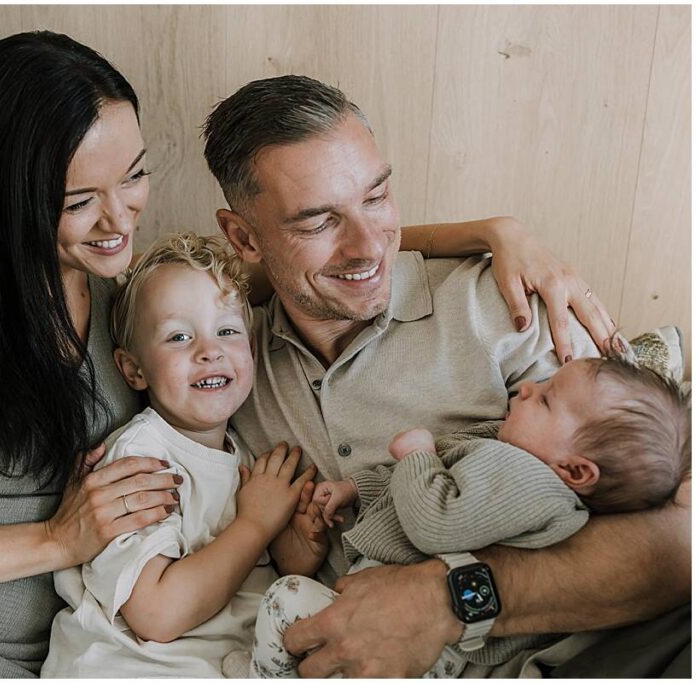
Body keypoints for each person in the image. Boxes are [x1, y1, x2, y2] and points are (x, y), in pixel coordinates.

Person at [0, 32, 616, 678]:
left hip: (89, 648)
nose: (122, 217)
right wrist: (56, 539)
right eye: (81, 198)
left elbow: (319, 252)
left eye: (136, 175)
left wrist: (494, 230)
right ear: (9, 196)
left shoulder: (143, 308)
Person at [201, 74, 691, 677]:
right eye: (318, 222)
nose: (368, 247)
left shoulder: (503, 308)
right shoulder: (222, 362)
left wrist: (449, 599)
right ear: (243, 236)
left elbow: (677, 544)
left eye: (377, 197)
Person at [230, 353, 691, 678]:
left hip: (438, 655)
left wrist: (417, 455)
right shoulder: (509, 447)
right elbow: (431, 482)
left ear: (573, 469)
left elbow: (436, 520)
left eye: (547, 399)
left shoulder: (527, 480)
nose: (528, 387)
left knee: (286, 598)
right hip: (400, 622)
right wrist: (357, 489)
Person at [44, 232, 326, 676]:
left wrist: (295, 547)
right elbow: (157, 613)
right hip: (138, 665)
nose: (209, 350)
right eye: (178, 337)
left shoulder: (248, 454)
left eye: (228, 331)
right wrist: (256, 524)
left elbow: (248, 574)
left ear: (250, 349)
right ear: (134, 370)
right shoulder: (140, 461)